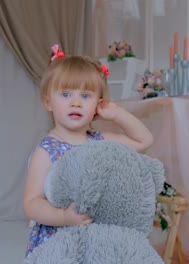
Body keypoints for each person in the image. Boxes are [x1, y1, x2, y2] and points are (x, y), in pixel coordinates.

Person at [23, 45, 154, 256]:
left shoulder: (101, 142)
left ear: (98, 104)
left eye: (86, 96)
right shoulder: (46, 151)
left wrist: (116, 114)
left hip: (96, 237)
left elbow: (144, 140)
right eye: (66, 94)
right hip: (59, 241)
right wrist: (63, 217)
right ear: (48, 102)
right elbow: (31, 203)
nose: (76, 103)